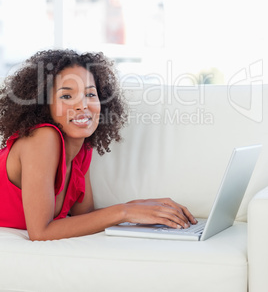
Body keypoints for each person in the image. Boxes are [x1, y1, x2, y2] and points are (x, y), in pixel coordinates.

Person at [0, 49, 197, 241]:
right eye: (66, 96)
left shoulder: (81, 148)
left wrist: (141, 208)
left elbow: (83, 216)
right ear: (44, 105)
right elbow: (41, 232)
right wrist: (125, 211)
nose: (82, 105)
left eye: (90, 94)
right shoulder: (43, 138)